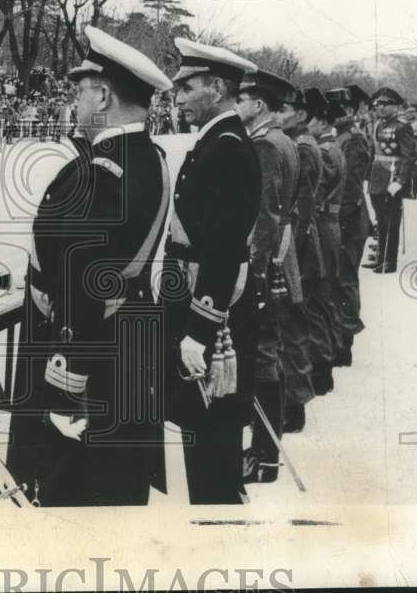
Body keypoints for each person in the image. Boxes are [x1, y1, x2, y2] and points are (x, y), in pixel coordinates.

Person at [6, 26, 173, 507]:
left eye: (80, 91)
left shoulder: (101, 173)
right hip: (125, 350)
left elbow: (85, 284)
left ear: (102, 96)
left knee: (76, 499)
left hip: (90, 367)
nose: (74, 102)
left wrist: (68, 384)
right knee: (118, 489)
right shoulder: (146, 156)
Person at [161, 38, 261, 503]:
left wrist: (198, 332)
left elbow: (223, 249)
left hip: (211, 313)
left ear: (217, 89)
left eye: (187, 87)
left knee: (211, 438)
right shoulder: (217, 141)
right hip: (198, 297)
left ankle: (222, 532)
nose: (177, 98)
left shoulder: (228, 148)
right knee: (202, 435)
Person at [235, 69, 300, 485]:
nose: (236, 105)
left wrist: (254, 274)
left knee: (262, 358)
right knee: (268, 355)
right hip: (281, 258)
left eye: (241, 98)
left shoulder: (264, 146)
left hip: (267, 264)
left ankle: (263, 457)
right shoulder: (284, 140)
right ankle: (266, 453)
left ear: (258, 104)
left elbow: (265, 217)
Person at [277, 88, 320, 430]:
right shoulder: (296, 143)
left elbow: (302, 206)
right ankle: (294, 402)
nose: (279, 115)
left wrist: (293, 250)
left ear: (301, 115)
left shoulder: (300, 146)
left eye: (285, 109)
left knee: (291, 328)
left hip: (294, 245)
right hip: (295, 244)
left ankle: (294, 406)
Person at [325, 86, 372, 366]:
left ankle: (345, 343)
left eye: (339, 111)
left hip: (349, 220)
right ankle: (338, 338)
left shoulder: (353, 139)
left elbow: (351, 190)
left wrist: (338, 225)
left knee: (345, 280)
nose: (334, 115)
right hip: (345, 218)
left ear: (351, 112)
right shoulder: (341, 135)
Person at [306, 91, 347, 390]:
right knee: (324, 299)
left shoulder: (323, 151)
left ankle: (322, 370)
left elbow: (313, 196)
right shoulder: (331, 146)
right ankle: (329, 358)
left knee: (316, 302)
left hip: (322, 227)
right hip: (328, 226)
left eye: (308, 119)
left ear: (320, 121)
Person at [364, 87, 417, 273]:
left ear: (395, 106)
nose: (381, 108)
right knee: (380, 219)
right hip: (377, 177)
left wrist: (401, 181)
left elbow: (409, 156)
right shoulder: (379, 125)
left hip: (391, 179)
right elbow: (373, 152)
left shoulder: (403, 126)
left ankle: (389, 260)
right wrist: (367, 176)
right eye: (379, 104)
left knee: (391, 221)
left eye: (386, 104)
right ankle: (380, 256)